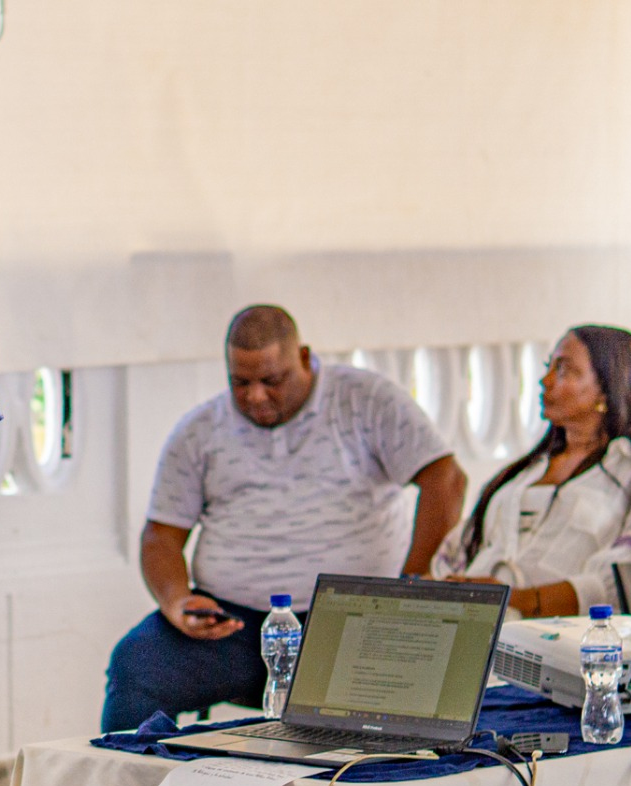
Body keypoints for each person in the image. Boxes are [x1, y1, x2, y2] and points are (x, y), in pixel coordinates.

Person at [100, 304, 465, 731]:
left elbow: (446, 480)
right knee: (137, 666)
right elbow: (160, 536)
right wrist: (177, 600)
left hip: (355, 620)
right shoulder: (199, 430)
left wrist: (413, 583)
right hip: (233, 624)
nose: (256, 396)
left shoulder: (366, 401)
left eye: (272, 381)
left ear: (305, 358)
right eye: (241, 382)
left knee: (372, 716)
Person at [434, 325, 631, 616]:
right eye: (548, 367)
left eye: (563, 370)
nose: (545, 381)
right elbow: (459, 551)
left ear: (607, 387)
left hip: (570, 645)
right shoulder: (525, 473)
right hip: (477, 628)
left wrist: (519, 600)